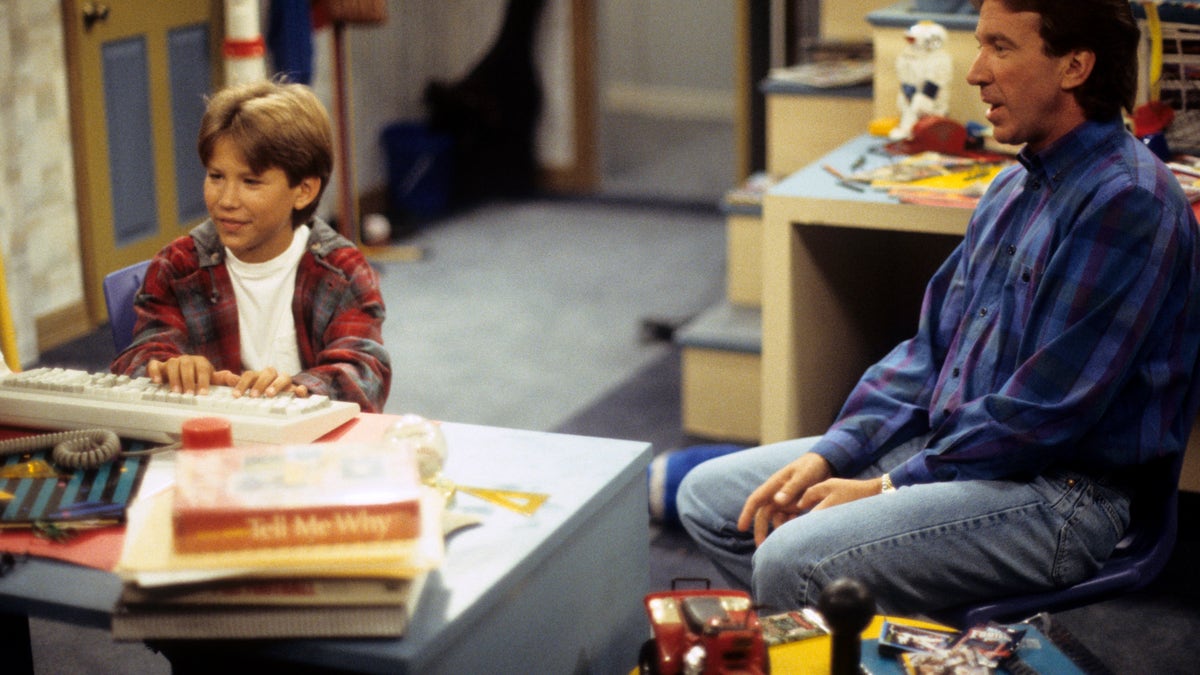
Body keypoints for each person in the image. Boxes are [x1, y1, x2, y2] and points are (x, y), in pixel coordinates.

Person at [678, 0, 1200, 617]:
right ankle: (857, 633)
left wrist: (886, 487)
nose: (975, 72)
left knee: (794, 561)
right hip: (957, 449)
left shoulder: (1127, 201)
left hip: (1061, 493)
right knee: (708, 499)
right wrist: (833, 452)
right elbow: (928, 354)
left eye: (1000, 48)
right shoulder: (1013, 185)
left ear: (1074, 67)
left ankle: (836, 627)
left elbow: (1043, 414)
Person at [110, 79, 390, 413]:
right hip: (207, 434)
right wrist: (168, 367)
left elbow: (365, 374)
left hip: (305, 441)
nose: (226, 200)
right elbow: (139, 359)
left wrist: (300, 389)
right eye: (216, 176)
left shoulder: (343, 271)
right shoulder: (178, 265)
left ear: (304, 191)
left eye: (251, 182)